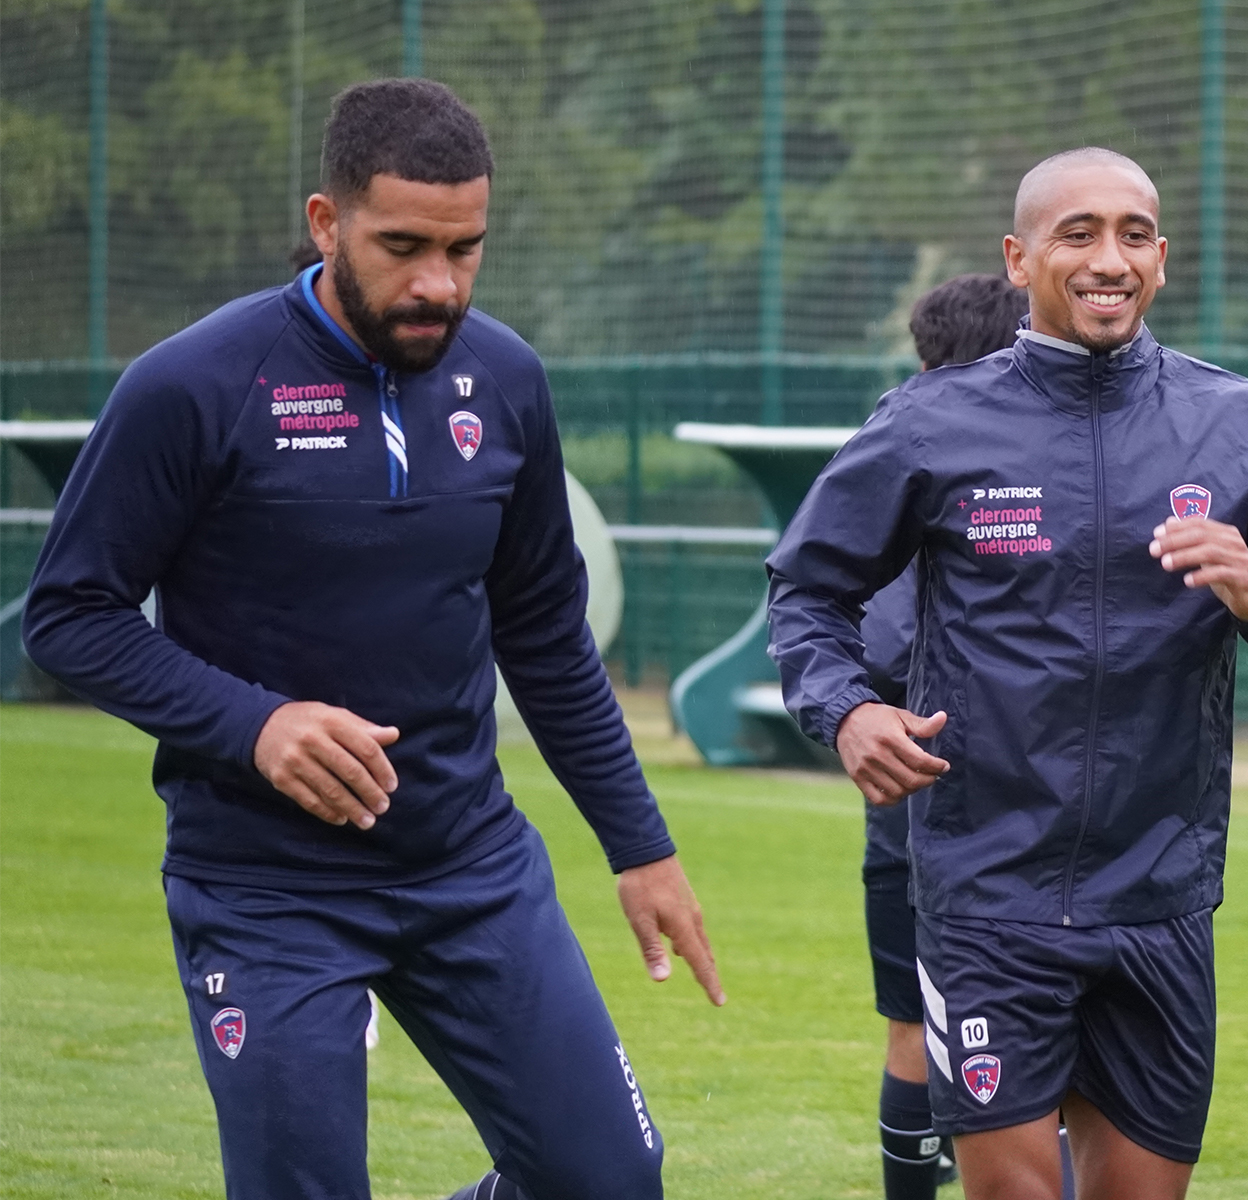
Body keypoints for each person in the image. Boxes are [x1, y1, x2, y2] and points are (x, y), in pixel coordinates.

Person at [23, 78, 723, 1200]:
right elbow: (68, 615)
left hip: (469, 866)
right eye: (402, 246)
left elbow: (543, 632)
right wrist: (257, 726)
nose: (437, 283)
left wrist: (640, 848)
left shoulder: (506, 382)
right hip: (265, 890)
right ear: (323, 221)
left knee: (607, 1182)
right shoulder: (194, 384)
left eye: (466, 248)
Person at [765, 147, 1248, 1200]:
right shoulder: (930, 424)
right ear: (1018, 258)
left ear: (1162, 260)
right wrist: (848, 710)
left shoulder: (1242, 426)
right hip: (988, 896)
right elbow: (806, 593)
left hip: (1159, 899)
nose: (1108, 258)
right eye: (1076, 233)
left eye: (1133, 234)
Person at [862, 273, 1029, 1200]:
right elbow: (887, 638)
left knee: (916, 1029)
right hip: (968, 809)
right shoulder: (931, 462)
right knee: (1025, 1039)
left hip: (914, 806)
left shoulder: (891, 446)